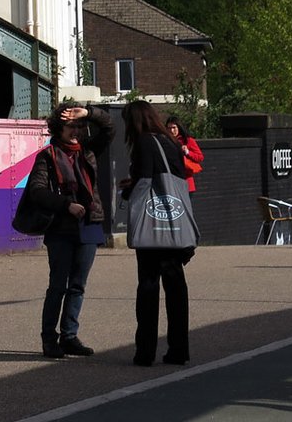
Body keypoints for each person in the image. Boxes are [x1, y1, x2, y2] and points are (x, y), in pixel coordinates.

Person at [25, 101, 114, 359]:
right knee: (58, 285)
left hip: (88, 225)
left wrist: (88, 112)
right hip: (61, 227)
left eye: (79, 125)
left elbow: (110, 129)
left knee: (78, 285)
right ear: (58, 129)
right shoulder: (47, 156)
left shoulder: (88, 151)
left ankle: (70, 336)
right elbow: (37, 192)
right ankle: (49, 340)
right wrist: (66, 205)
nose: (75, 130)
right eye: (69, 126)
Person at [121, 100, 194, 366]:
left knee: (149, 285)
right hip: (173, 222)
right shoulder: (171, 143)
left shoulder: (144, 142)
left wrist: (127, 193)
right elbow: (172, 178)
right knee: (176, 287)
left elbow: (144, 181)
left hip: (152, 225)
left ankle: (145, 351)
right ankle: (179, 349)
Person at [165, 115, 204, 193]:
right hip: (170, 182)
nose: (171, 131)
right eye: (169, 128)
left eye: (174, 127)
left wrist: (188, 152)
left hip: (186, 181)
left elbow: (200, 157)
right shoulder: (165, 141)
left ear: (179, 127)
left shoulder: (188, 140)